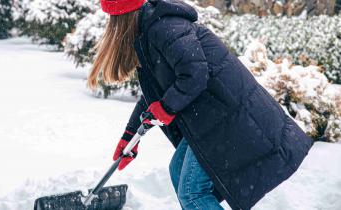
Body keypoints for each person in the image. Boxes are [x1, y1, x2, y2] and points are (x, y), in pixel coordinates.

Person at [88, 0, 314, 209]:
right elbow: (154, 94)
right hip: (212, 118)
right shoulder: (148, 31)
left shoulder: (163, 28)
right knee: (179, 172)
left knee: (193, 192)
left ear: (120, 20)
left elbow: (194, 73)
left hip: (229, 116)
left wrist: (167, 108)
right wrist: (130, 134)